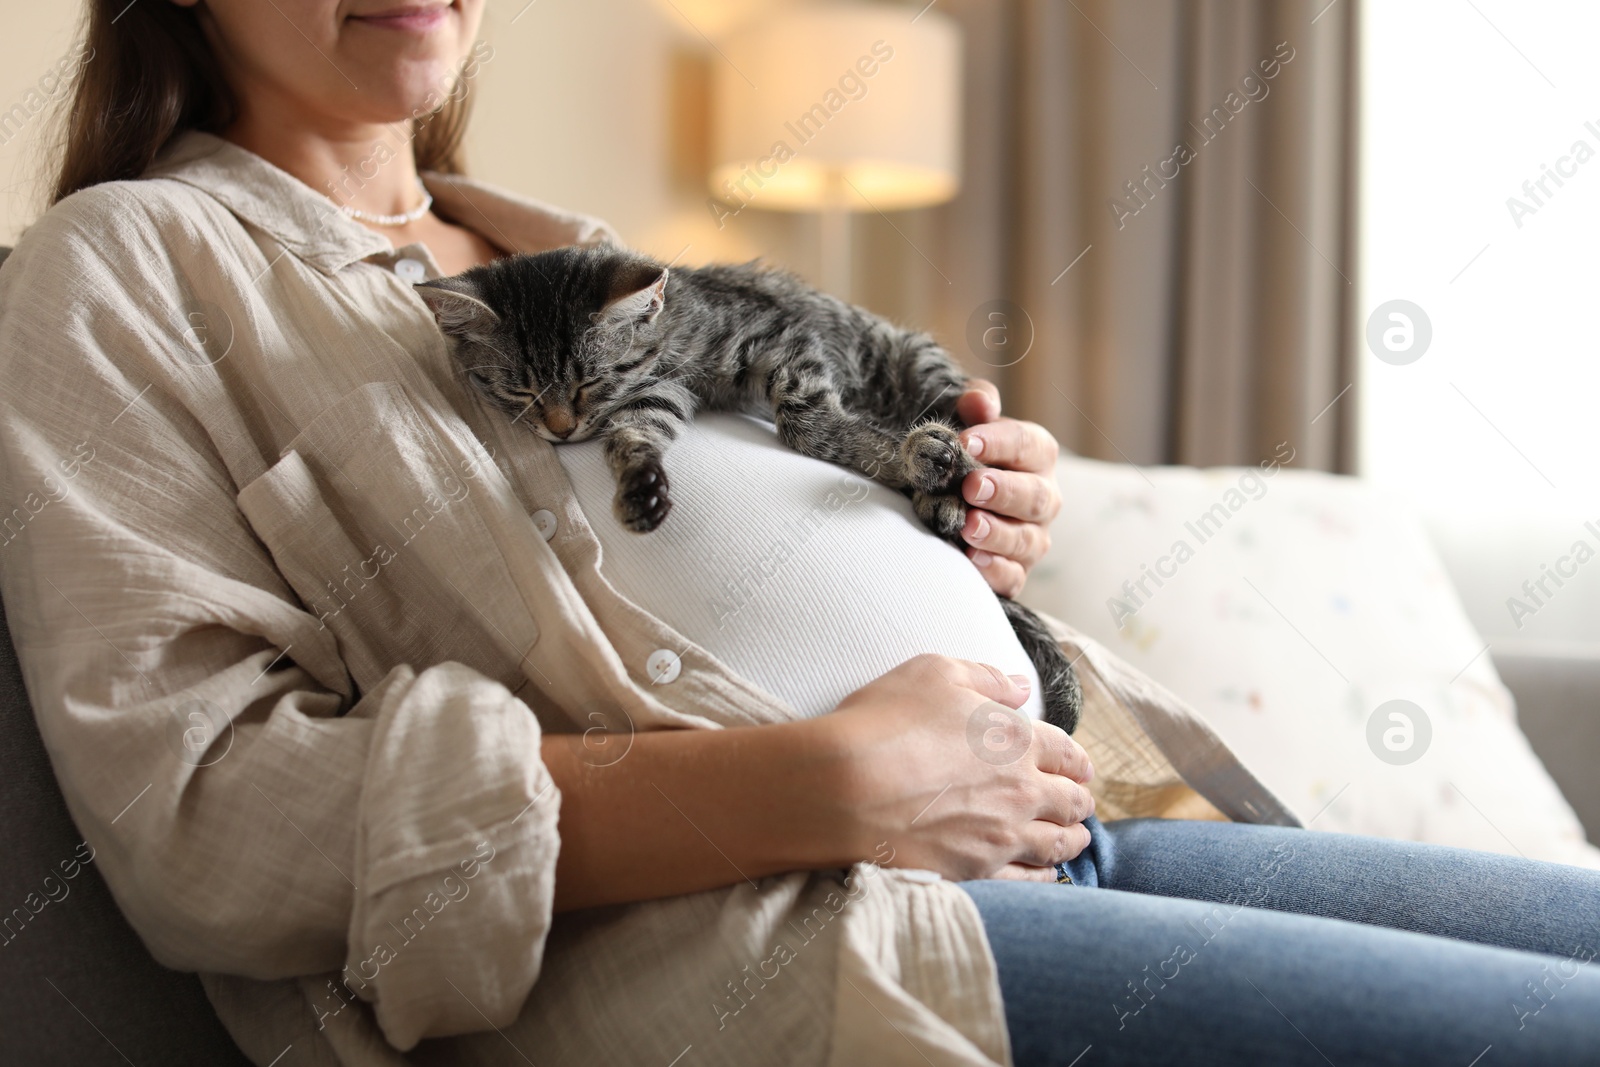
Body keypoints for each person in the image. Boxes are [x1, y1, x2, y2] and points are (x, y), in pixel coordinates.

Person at [0, 2, 1595, 1065]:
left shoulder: (568, 245)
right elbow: (205, 820)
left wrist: (946, 510)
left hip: (1062, 827)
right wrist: (828, 781)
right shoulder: (126, 268)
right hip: (810, 949)